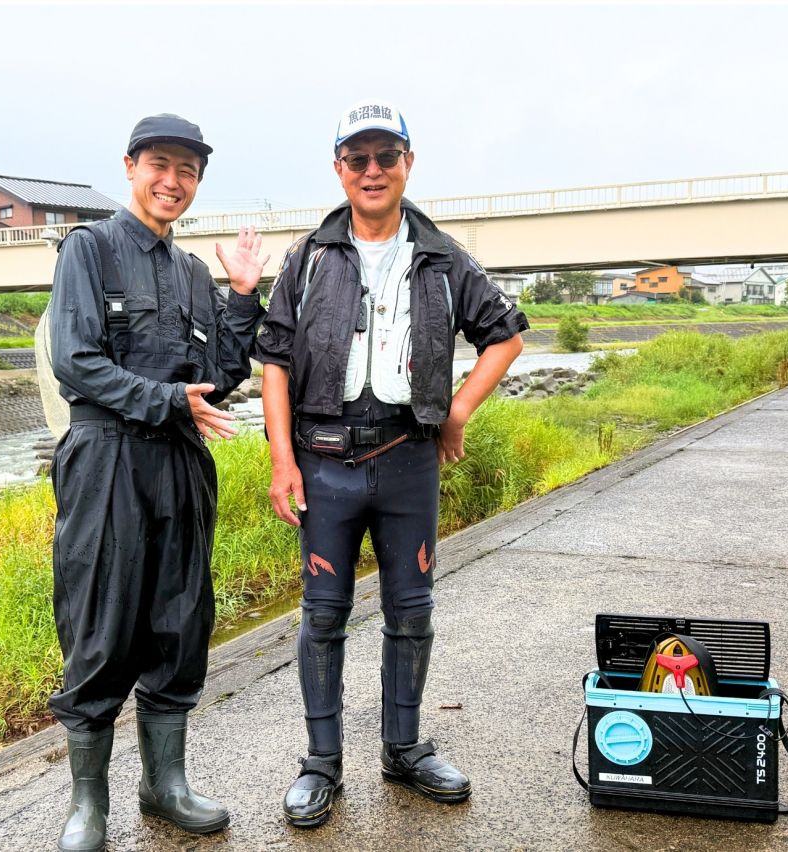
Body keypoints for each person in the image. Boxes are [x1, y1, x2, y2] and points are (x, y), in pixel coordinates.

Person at [253, 99, 528, 828]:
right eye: (358, 158)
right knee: (323, 615)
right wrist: (282, 460)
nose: (372, 171)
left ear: (408, 162)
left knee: (412, 612)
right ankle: (322, 763)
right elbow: (273, 360)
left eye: (386, 157)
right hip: (324, 464)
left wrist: (457, 411)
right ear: (339, 168)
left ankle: (403, 749)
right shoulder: (309, 258)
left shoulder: (442, 257)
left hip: (409, 460)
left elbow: (505, 336)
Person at [47, 113, 268, 850]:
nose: (173, 182)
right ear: (130, 167)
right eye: (160, 166)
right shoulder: (89, 248)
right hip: (106, 457)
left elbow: (221, 378)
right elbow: (76, 360)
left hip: (179, 460)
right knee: (100, 623)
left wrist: (243, 295)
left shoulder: (193, 274)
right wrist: (169, 400)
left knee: (180, 620)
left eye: (188, 171)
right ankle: (88, 803)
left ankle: (164, 784)